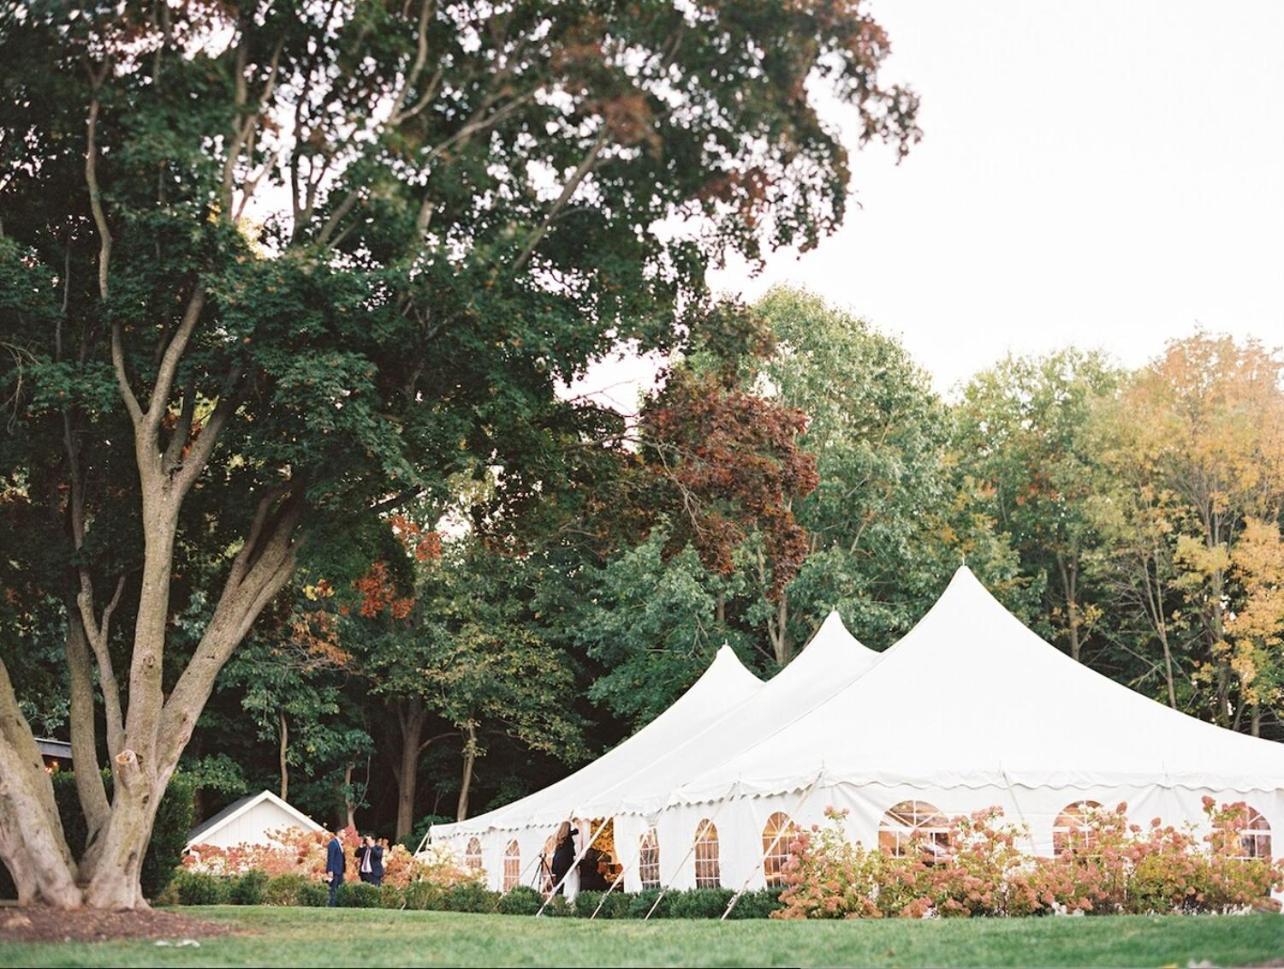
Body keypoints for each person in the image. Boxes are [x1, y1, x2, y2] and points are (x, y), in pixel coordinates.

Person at [549, 820, 579, 896]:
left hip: (558, 866)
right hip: (565, 866)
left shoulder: (560, 839)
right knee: (566, 888)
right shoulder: (568, 837)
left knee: (560, 887)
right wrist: (575, 824)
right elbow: (576, 831)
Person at [325, 834, 345, 907]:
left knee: (339, 889)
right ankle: (331, 905)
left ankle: (337, 905)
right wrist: (330, 870)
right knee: (333, 890)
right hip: (334, 870)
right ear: (339, 833)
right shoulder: (333, 843)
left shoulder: (340, 843)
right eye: (343, 832)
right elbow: (331, 857)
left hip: (340, 871)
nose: (345, 834)